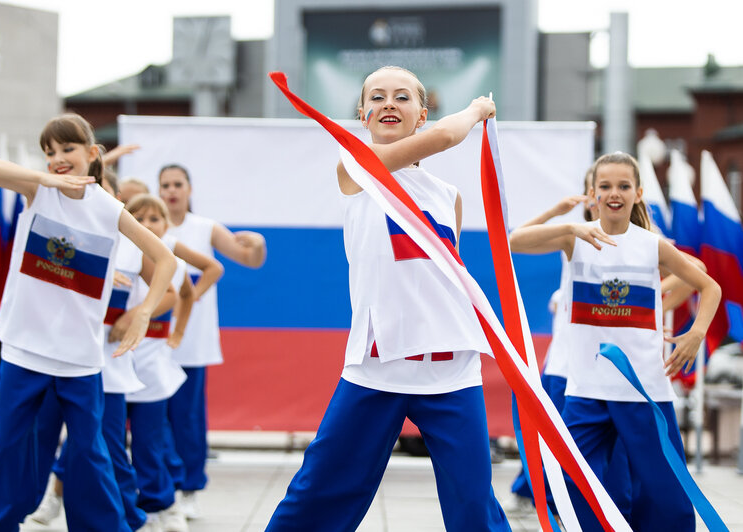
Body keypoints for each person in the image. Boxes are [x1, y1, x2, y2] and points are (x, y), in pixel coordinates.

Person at [266, 66, 508, 531]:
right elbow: (444, 138)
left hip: (450, 368)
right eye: (377, 97)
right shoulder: (355, 166)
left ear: (421, 114)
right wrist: (478, 109)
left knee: (473, 502)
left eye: (403, 97)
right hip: (379, 363)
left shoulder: (448, 196)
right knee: (322, 490)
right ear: (362, 114)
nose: (389, 103)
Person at [0, 113, 176, 532]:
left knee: (91, 452)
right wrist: (49, 180)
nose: (58, 158)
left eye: (67, 149)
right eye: (50, 152)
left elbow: (166, 260)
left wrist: (143, 312)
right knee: (11, 447)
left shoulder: (111, 210)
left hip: (80, 358)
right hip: (25, 349)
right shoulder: (38, 192)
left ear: (92, 154)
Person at [508, 151, 721, 531]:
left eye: (623, 186)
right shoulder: (576, 241)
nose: (614, 193)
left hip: (643, 390)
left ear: (638, 193)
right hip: (586, 389)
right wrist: (570, 226)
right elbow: (514, 241)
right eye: (605, 186)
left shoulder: (652, 245)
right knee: (574, 485)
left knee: (664, 494)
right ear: (592, 193)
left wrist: (696, 334)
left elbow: (709, 284)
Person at [27, 173, 176, 532]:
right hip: (57, 357)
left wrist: (135, 314)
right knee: (47, 443)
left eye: (103, 192)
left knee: (105, 445)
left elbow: (170, 290)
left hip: (105, 365)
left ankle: (128, 516)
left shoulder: (130, 245)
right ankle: (44, 501)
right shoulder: (60, 233)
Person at [158, 163, 265, 517]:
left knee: (186, 418)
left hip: (190, 343)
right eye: (165, 185)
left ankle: (189, 488)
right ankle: (158, 489)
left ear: (189, 189)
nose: (172, 191)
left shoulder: (205, 228)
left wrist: (259, 245)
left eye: (178, 184)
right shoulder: (148, 227)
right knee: (153, 419)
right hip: (151, 342)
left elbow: (250, 259)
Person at [124, 193, 223, 530]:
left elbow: (187, 291)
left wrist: (177, 331)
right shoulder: (118, 256)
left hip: (151, 364)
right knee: (105, 442)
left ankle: (163, 503)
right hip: (113, 366)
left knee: (151, 441)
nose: (147, 226)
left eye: (155, 219)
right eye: (138, 219)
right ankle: (125, 506)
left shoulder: (174, 262)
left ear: (167, 225)